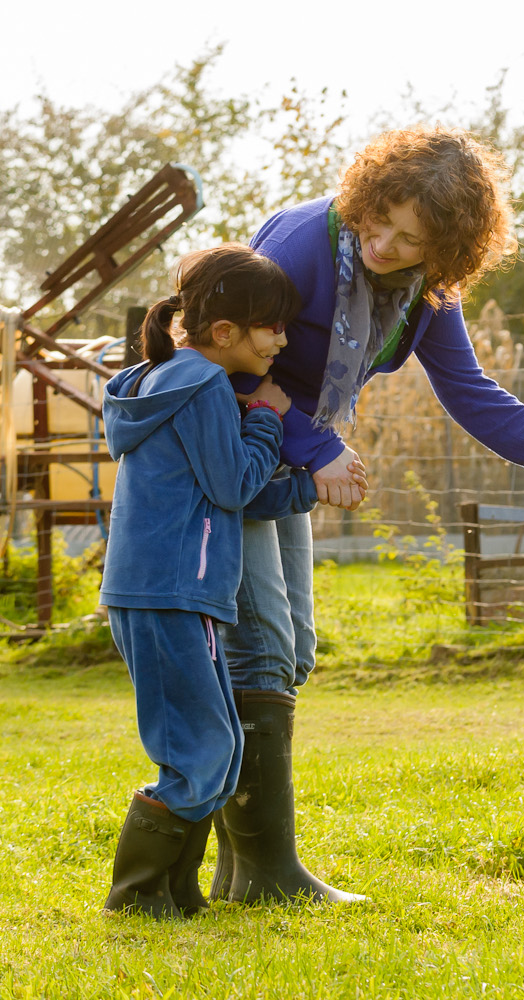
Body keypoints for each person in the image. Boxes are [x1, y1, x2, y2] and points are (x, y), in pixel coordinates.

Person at [214, 126, 524, 904]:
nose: (382, 243)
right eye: (379, 219)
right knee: (261, 649)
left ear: (446, 249)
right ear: (366, 195)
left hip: (284, 459)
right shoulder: (298, 246)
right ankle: (266, 877)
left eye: (411, 239)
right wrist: (317, 447)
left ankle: (234, 865)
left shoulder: (424, 295)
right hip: (229, 451)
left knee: (294, 651)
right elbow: (231, 366)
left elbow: (473, 396)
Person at [99, 245, 333, 918]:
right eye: (273, 326)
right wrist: (265, 418)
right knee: (202, 751)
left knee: (218, 748)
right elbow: (234, 483)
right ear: (224, 332)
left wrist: (304, 488)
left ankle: (175, 893)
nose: (283, 340)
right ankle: (137, 899)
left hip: (166, 592)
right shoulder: (202, 386)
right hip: (171, 594)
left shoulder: (174, 382)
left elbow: (223, 492)